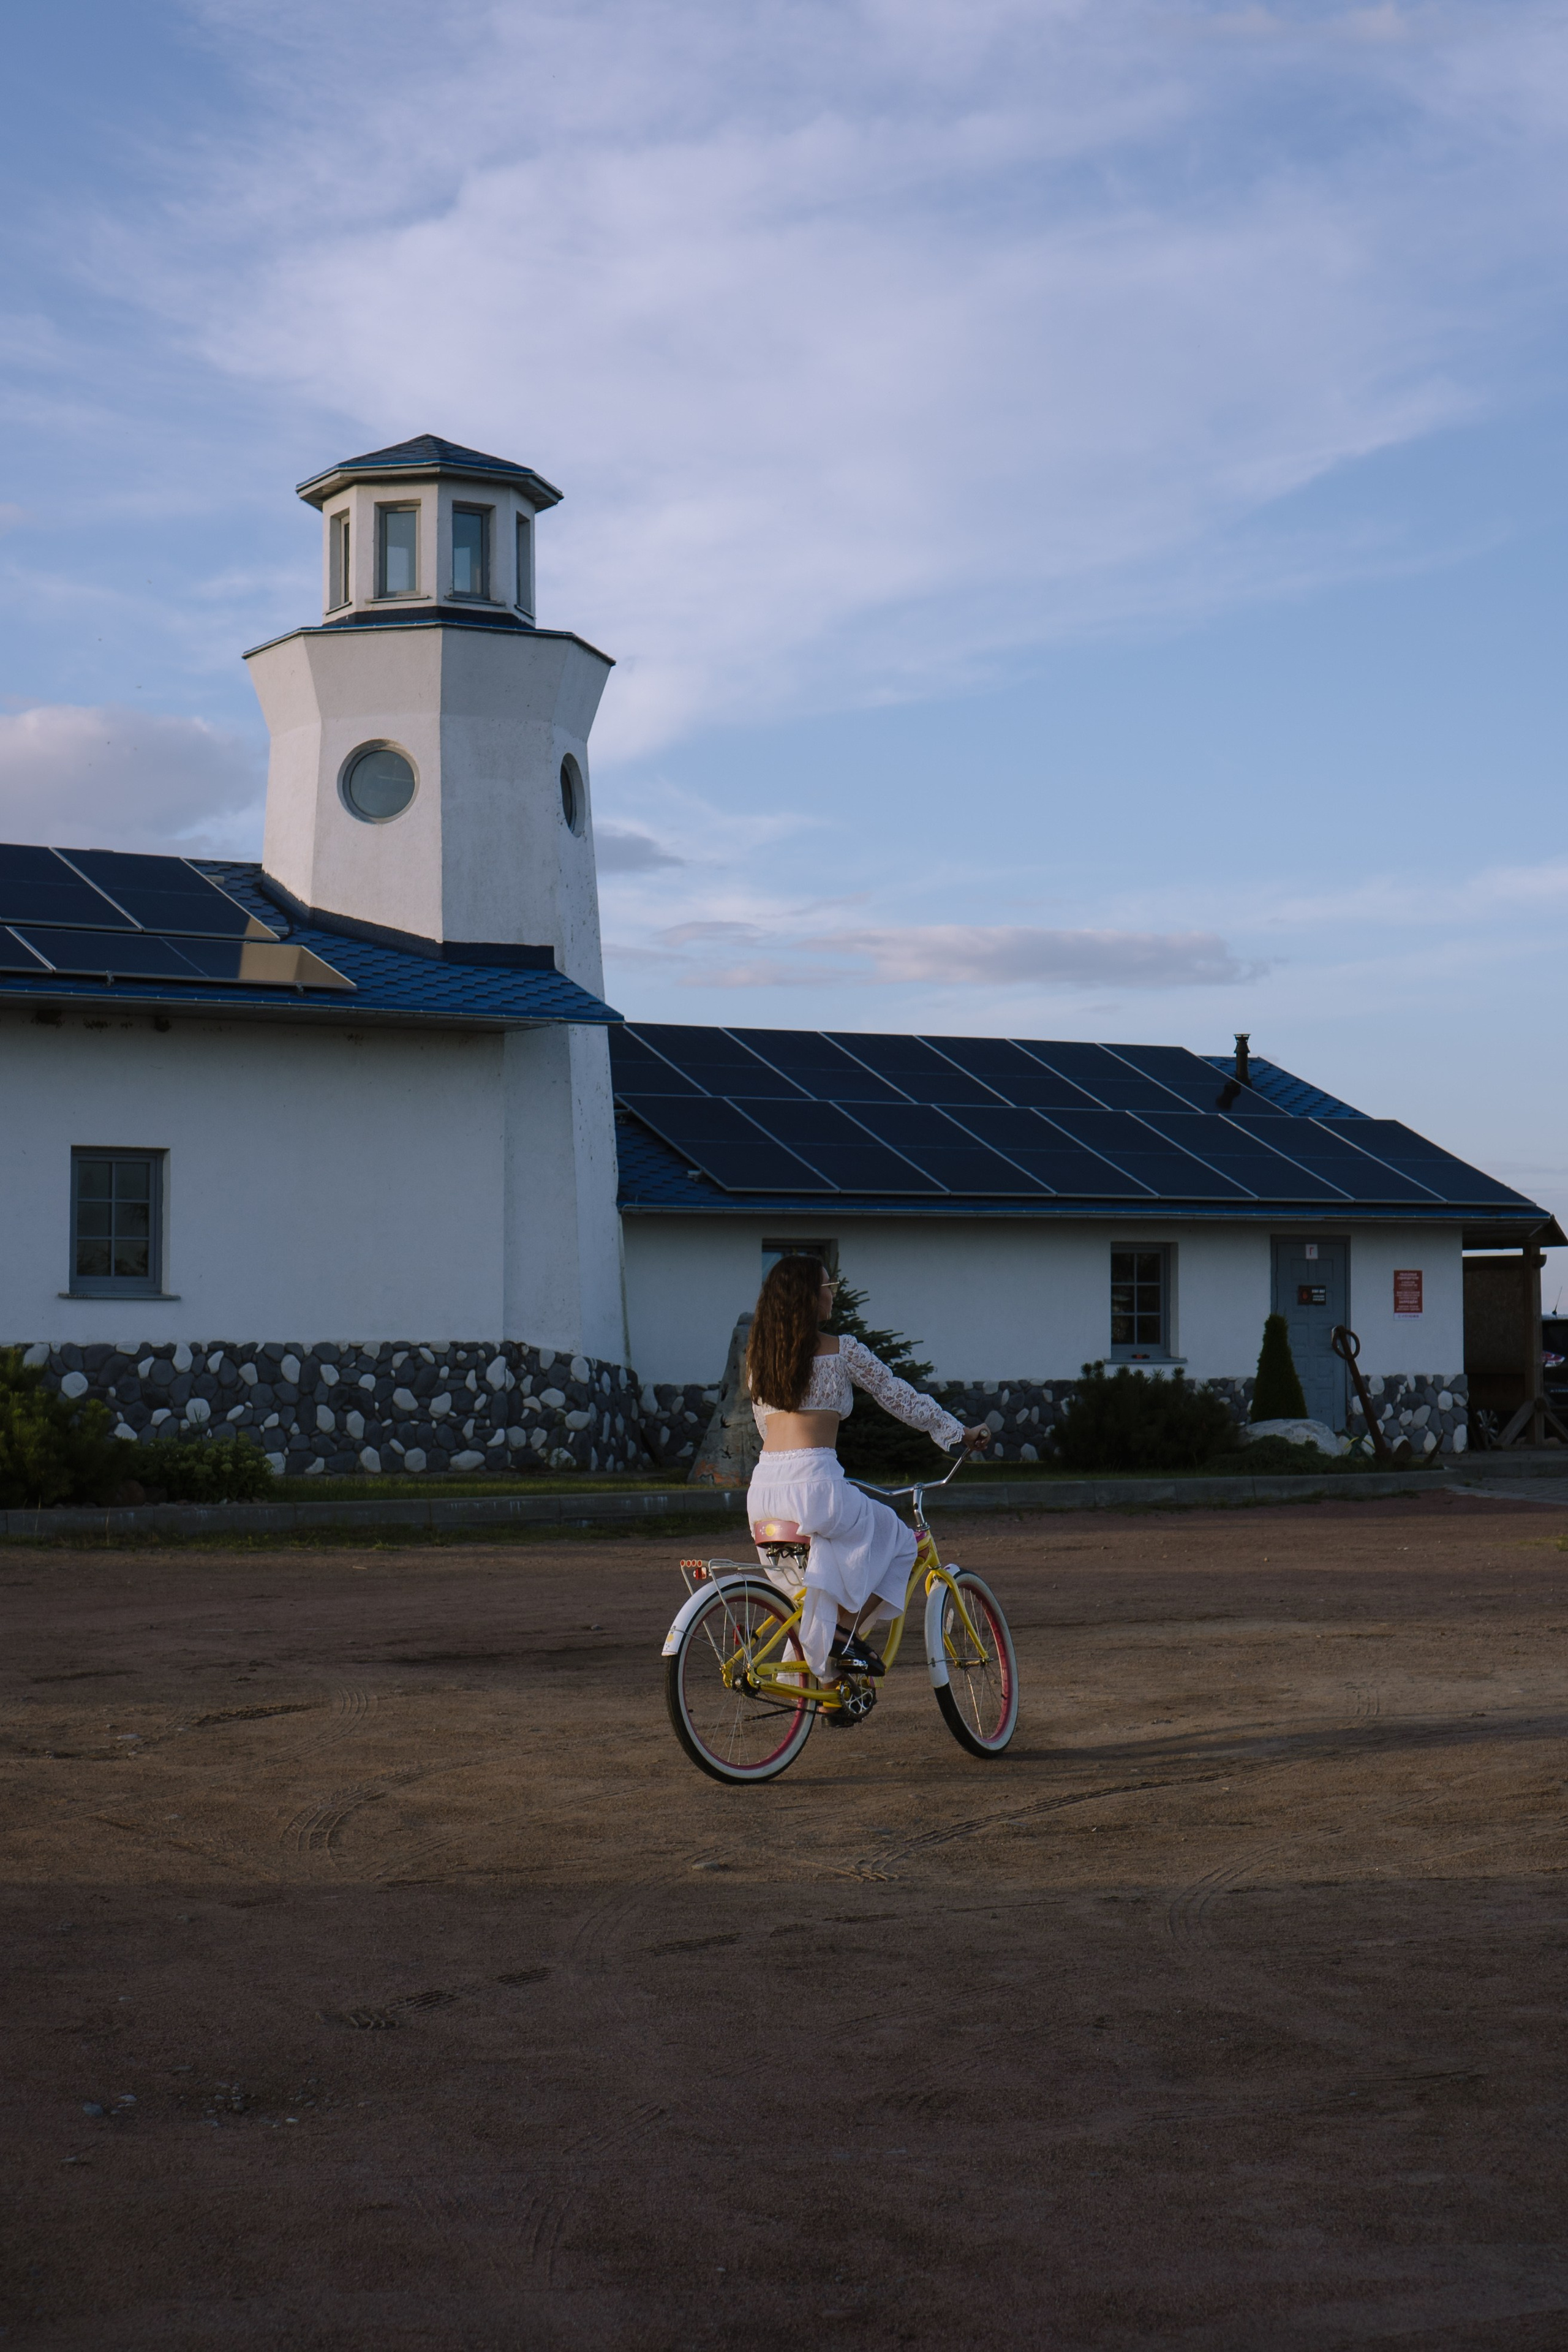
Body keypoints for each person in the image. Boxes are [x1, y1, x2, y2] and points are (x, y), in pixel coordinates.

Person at [745, 1255, 990, 1689]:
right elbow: (897, 1395)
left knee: (810, 1591)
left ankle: (829, 1683)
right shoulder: (842, 1350)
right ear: (808, 1295)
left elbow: (765, 1424)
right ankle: (843, 1639)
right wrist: (958, 1432)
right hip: (816, 1483)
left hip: (764, 1489)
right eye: (828, 1285)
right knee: (899, 1542)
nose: (832, 1293)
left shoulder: (760, 1360)